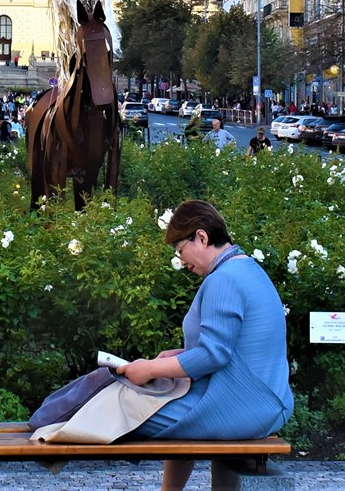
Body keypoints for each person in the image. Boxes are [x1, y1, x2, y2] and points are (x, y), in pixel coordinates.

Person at [116, 199, 293, 491]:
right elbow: (231, 348)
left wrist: (150, 368)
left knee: (126, 410)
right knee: (160, 402)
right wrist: (180, 357)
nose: (181, 260)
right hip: (262, 400)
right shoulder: (246, 268)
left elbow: (214, 354)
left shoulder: (224, 280)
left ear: (201, 236)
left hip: (247, 405)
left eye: (180, 249)